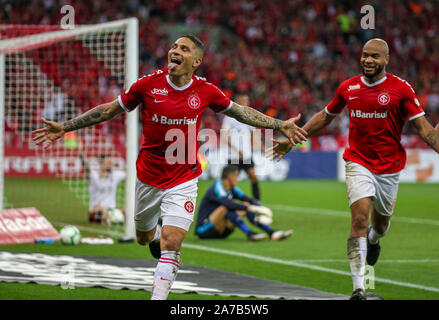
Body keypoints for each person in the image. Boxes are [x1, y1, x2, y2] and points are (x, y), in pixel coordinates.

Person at [32, 34, 307, 300]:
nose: (175, 51)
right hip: (148, 178)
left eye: (184, 49)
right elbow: (108, 110)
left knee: (172, 242)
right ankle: (153, 232)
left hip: (183, 178)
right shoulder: (147, 85)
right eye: (174, 46)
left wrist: (279, 124)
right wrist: (65, 127)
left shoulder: (206, 91)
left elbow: (241, 112)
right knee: (143, 238)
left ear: (196, 61)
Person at [266, 38, 439, 300]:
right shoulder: (349, 87)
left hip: (389, 168)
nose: (368, 60)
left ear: (386, 60)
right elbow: (326, 116)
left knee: (380, 226)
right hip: (358, 161)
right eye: (365, 55)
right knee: (359, 218)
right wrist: (295, 139)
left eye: (374, 57)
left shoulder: (401, 89)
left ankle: (374, 240)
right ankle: (359, 289)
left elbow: (424, 128)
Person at [195, 165, 293, 241]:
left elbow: (248, 199)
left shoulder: (232, 188)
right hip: (204, 230)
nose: (237, 179)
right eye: (236, 176)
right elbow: (228, 204)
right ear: (230, 176)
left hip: (222, 230)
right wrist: (251, 208)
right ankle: (249, 233)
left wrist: (260, 208)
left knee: (245, 205)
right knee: (226, 208)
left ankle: (271, 232)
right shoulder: (217, 188)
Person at [221, 94, 262, 200]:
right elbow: (224, 137)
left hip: (246, 155)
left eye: (247, 100)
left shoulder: (248, 117)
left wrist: (260, 147)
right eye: (244, 100)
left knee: (254, 178)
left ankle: (257, 204)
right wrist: (236, 149)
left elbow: (254, 134)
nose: (246, 103)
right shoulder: (229, 118)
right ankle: (228, 202)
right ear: (237, 102)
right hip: (234, 155)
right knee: (231, 181)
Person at [78, 142, 126, 224]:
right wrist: (80, 153)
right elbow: (86, 166)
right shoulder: (94, 175)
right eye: (109, 162)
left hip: (112, 211)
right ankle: (106, 219)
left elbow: (131, 174)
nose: (111, 164)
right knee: (98, 211)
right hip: (97, 211)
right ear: (102, 164)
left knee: (128, 210)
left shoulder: (115, 175)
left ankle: (111, 218)